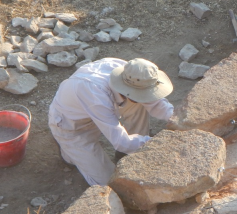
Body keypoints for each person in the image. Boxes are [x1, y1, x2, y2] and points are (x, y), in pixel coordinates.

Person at [48, 57, 174, 186]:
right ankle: (68, 152)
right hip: (73, 126)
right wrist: (160, 144)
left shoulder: (132, 73)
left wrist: (179, 120)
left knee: (138, 104)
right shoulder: (96, 95)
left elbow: (155, 103)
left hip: (102, 108)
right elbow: (120, 142)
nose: (147, 97)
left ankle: (130, 153)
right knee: (111, 183)